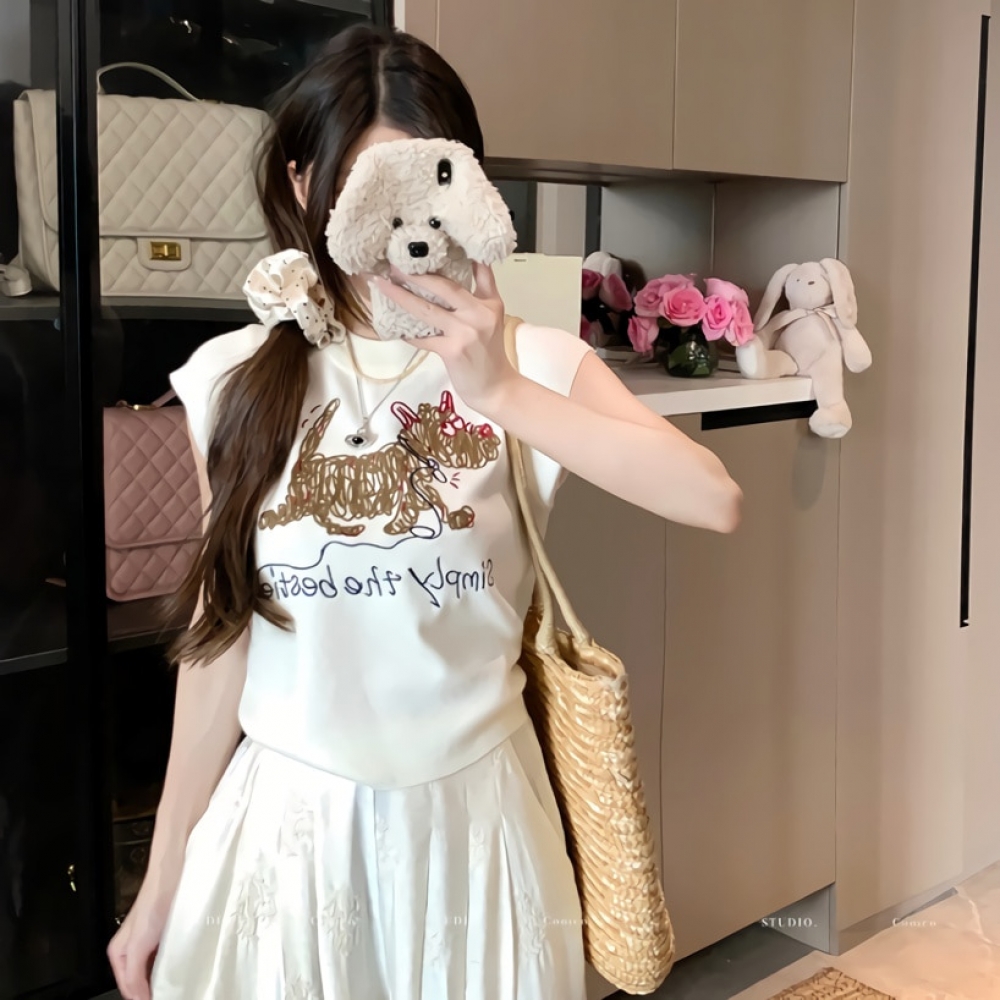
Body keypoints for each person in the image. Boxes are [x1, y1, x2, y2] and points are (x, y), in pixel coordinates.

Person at [106, 23, 742, 1000]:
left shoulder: (527, 362)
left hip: (476, 829)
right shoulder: (232, 378)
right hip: (288, 836)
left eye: (425, 183)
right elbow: (220, 638)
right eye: (364, 187)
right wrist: (161, 880)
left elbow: (712, 497)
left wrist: (502, 392)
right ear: (302, 187)